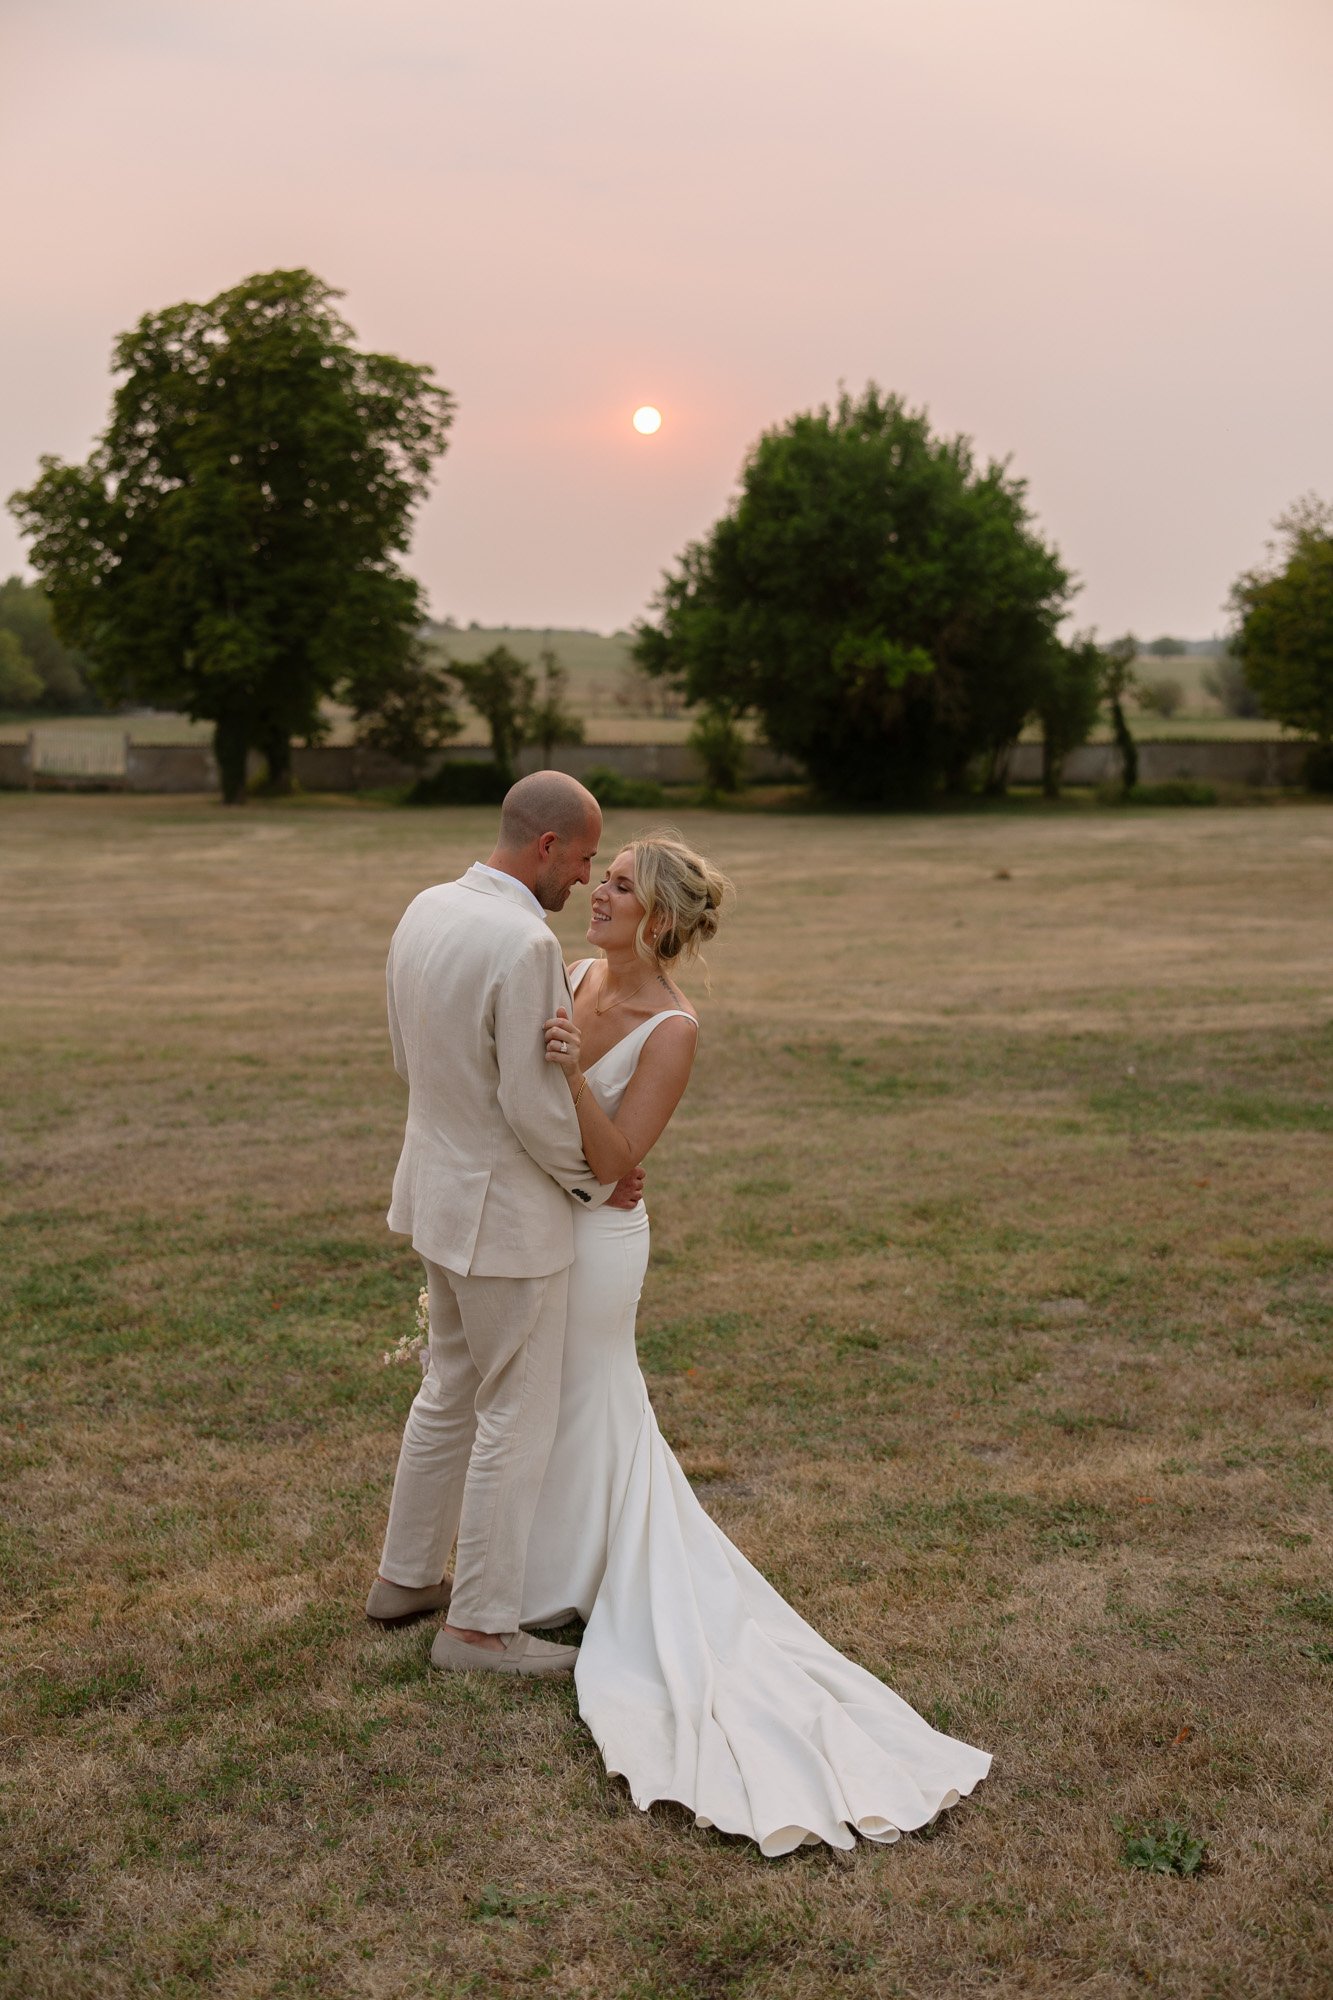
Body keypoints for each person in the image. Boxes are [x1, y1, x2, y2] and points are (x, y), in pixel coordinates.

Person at [519, 829, 993, 1853]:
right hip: (532, 1222)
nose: (595, 895)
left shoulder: (671, 1027)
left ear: (663, 921)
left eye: (618, 888)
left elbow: (615, 1165)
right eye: (598, 879)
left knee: (590, 1392)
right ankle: (537, 1572)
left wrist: (564, 1076)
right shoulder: (568, 971)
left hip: (597, 1238)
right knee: (545, 1401)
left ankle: (574, 1582)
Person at [365, 771, 642, 1677]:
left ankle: (405, 1579)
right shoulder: (524, 942)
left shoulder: (426, 907)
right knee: (512, 1412)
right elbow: (529, 1105)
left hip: (436, 1192)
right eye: (588, 858)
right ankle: (479, 1629)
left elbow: (408, 1056)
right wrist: (593, 1183)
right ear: (548, 847)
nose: (587, 879)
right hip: (505, 1217)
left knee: (447, 1387)